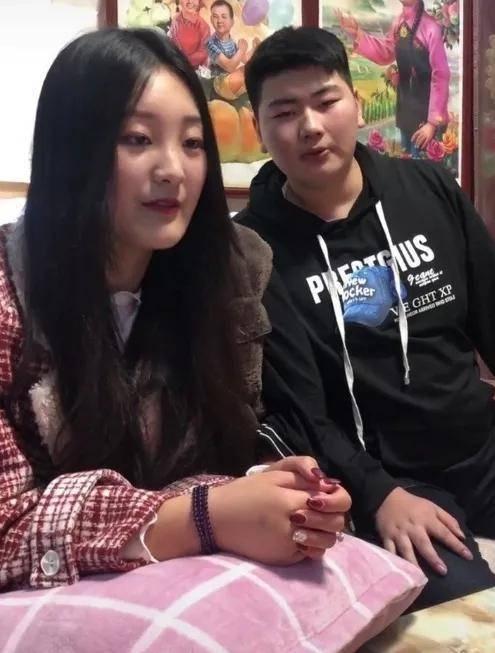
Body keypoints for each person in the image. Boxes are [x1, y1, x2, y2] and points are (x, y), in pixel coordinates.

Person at [0, 27, 351, 590]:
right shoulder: (11, 296)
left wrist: (265, 490)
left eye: (192, 143)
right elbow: (6, 528)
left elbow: (206, 462)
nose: (173, 169)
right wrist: (206, 516)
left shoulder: (220, 278)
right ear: (72, 148)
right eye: (138, 139)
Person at [238, 25, 495, 610]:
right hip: (388, 479)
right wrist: (379, 494)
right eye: (285, 112)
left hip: (481, 447)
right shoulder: (254, 251)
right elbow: (301, 411)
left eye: (325, 101)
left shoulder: (428, 187)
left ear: (356, 103)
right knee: (465, 612)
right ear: (258, 127)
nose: (310, 126)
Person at [338, 0, 450, 154]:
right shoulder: (399, 22)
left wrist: (432, 123)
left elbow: (441, 74)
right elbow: (386, 52)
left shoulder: (431, 27)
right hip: (405, 108)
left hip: (426, 113)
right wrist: (357, 33)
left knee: (420, 162)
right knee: (405, 156)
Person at [169, 0, 210, 69]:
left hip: (194, 70)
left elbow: (203, 53)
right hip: (175, 67)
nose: (190, 1)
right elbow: (171, 42)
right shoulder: (175, 19)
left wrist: (182, 61)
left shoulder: (203, 26)